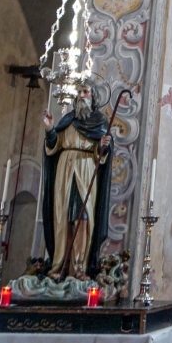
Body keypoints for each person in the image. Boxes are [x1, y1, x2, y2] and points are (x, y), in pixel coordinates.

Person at [40, 86, 114, 281]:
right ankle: (61, 265)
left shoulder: (99, 121)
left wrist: (103, 147)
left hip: (86, 169)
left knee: (83, 218)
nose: (81, 95)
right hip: (65, 171)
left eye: (85, 92)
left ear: (93, 97)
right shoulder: (68, 120)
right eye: (79, 92)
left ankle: (79, 267)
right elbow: (54, 145)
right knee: (63, 217)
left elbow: (102, 154)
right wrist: (49, 130)